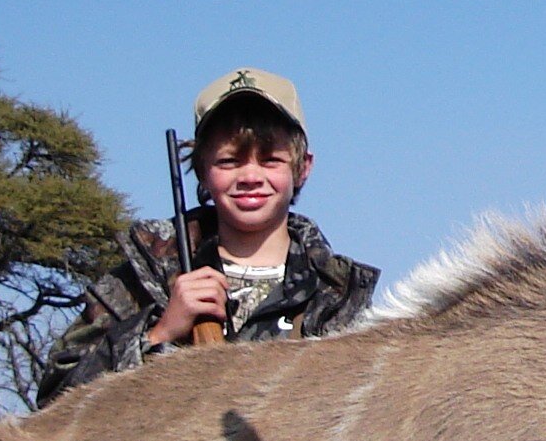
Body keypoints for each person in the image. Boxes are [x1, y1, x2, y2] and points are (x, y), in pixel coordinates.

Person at [35, 68, 379, 407]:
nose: (250, 176)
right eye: (229, 161)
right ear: (201, 169)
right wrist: (157, 334)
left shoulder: (339, 296)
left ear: (303, 168)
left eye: (271, 160)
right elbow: (54, 401)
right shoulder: (144, 276)